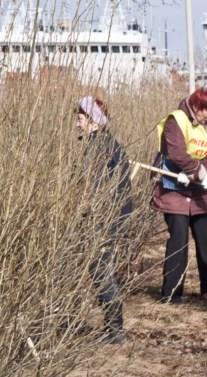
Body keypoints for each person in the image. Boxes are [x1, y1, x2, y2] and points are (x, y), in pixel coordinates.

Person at [151, 88, 207, 303]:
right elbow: (176, 152)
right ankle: (172, 292)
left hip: (197, 190)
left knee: (204, 239)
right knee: (178, 240)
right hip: (173, 186)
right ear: (196, 107)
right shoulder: (176, 120)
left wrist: (200, 174)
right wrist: (195, 171)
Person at [76, 96, 132, 344]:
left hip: (104, 220)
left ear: (92, 120)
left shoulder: (99, 147)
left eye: (80, 119)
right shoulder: (105, 143)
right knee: (99, 270)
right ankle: (113, 329)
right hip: (109, 217)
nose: (77, 124)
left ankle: (115, 331)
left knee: (100, 271)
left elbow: (91, 187)